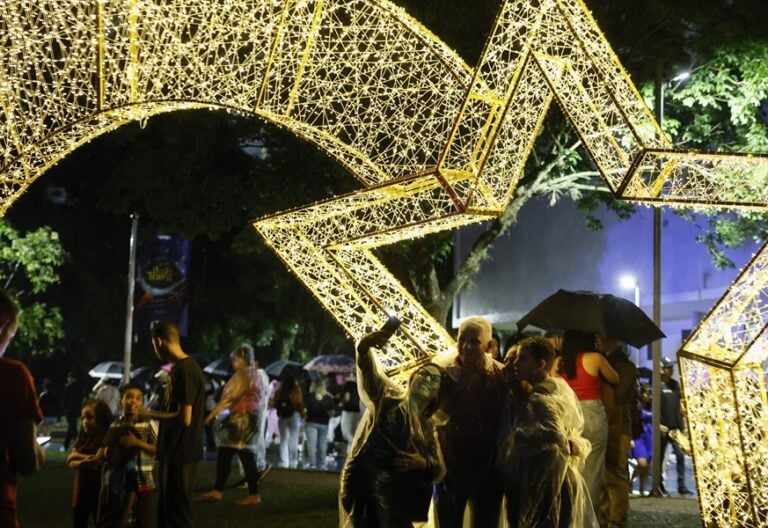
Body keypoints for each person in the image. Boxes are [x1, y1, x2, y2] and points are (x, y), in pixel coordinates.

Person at [339, 328, 445, 528]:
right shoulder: (388, 400)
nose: (427, 379)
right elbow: (370, 373)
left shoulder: (427, 428)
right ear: (412, 379)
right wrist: (365, 347)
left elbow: (439, 468)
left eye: (434, 379)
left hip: (400, 494)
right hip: (369, 483)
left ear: (436, 393)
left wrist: (423, 462)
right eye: (423, 374)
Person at [498, 336, 596, 527]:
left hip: (549, 476)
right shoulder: (559, 386)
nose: (515, 364)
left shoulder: (541, 395)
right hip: (558, 474)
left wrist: (516, 439)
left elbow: (554, 434)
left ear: (540, 364)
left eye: (522, 358)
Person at [433, 316, 510, 528]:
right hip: (449, 465)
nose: (466, 347)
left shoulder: (501, 376)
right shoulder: (443, 373)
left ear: (489, 345)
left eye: (474, 341)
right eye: (461, 340)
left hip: (488, 468)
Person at [149, 320, 206, 528]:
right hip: (171, 451)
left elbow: (185, 418)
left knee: (176, 514)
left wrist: (149, 414)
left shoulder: (186, 369)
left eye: (153, 344)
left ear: (159, 341)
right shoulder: (177, 369)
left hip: (181, 451)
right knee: (166, 511)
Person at [557, 330, 619, 514]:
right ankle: (587, 519)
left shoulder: (558, 362)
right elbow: (615, 378)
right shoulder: (595, 359)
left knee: (567, 470)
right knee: (592, 472)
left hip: (566, 416)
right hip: (592, 414)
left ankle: (568, 518)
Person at [0, 289, 44, 528]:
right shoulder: (14, 375)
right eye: (12, 335)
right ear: (3, 325)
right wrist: (37, 450)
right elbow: (26, 461)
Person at [201, 344, 263, 506]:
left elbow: (229, 399)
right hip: (247, 418)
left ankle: (251, 494)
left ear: (243, 359)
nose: (233, 362)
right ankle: (220, 490)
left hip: (241, 420)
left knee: (238, 454)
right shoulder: (254, 374)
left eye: (235, 359)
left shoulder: (243, 375)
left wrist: (211, 416)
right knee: (232, 453)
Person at [97, 381, 157, 528]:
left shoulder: (148, 424)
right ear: (121, 401)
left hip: (143, 481)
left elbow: (158, 448)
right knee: (116, 517)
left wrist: (137, 442)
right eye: (129, 397)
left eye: (138, 398)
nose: (133, 401)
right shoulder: (115, 425)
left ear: (142, 403)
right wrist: (105, 452)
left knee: (142, 520)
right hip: (119, 481)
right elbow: (104, 446)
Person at [597, 335, 637, 528]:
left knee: (616, 476)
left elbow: (618, 396)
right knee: (604, 478)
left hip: (619, 426)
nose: (598, 338)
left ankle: (617, 522)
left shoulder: (624, 365)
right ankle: (605, 519)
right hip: (607, 423)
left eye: (602, 335)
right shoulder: (605, 360)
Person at [67, 399, 113, 528]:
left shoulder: (106, 437)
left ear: (101, 419)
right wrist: (83, 462)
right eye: (83, 418)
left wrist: (77, 457)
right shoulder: (82, 437)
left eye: (89, 417)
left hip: (100, 490)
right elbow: (70, 460)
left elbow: (98, 459)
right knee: (79, 521)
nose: (85, 421)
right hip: (81, 490)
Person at [660, 357, 692, 495]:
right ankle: (659, 485)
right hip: (662, 428)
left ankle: (682, 486)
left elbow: (680, 404)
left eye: (671, 367)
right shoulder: (657, 385)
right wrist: (658, 425)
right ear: (662, 369)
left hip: (676, 428)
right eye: (668, 368)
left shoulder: (675, 385)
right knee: (660, 458)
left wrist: (683, 423)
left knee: (680, 456)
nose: (671, 370)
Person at [270, 371, 305, 469]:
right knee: (294, 439)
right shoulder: (297, 389)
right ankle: (293, 462)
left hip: (283, 416)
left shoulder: (280, 390)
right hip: (295, 415)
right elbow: (300, 402)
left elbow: (274, 402)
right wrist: (303, 415)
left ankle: (284, 462)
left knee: (283, 439)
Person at [304, 379, 336, 470]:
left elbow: (304, 409)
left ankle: (312, 464)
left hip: (311, 422)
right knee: (322, 444)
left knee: (312, 444)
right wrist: (327, 415)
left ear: (313, 386)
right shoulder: (327, 397)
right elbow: (332, 411)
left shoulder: (309, 396)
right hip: (324, 423)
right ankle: (322, 463)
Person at [629, 384, 652, 496]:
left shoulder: (651, 405)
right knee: (643, 463)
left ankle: (642, 489)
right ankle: (630, 482)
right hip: (638, 436)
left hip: (649, 436)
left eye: (650, 394)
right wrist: (630, 438)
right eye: (646, 393)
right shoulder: (636, 405)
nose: (649, 396)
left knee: (647, 465)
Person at [64, 372, 87, 451]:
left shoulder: (68, 387)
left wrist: (64, 408)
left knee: (73, 427)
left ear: (72, 378)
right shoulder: (81, 388)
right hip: (78, 409)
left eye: (69, 378)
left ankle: (77, 442)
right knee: (71, 426)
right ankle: (66, 443)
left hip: (70, 409)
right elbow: (83, 398)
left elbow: (65, 400)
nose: (68, 379)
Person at [340, 372, 361, 453]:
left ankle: (357, 446)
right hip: (357, 410)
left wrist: (341, 401)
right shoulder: (358, 385)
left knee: (346, 433)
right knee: (353, 433)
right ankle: (350, 453)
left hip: (348, 411)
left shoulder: (348, 384)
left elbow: (347, 398)